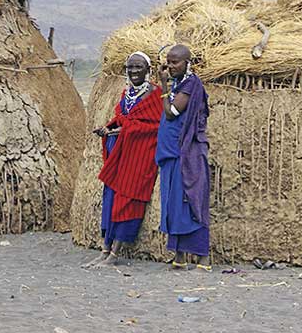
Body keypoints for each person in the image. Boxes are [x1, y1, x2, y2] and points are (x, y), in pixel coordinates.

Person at [84, 51, 163, 268]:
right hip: (120, 152)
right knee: (111, 196)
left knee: (128, 198)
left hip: (139, 155)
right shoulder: (127, 93)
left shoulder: (155, 94)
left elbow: (156, 126)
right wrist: (109, 128)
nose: (134, 71)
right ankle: (105, 249)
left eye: (138, 67)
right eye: (130, 67)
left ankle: (115, 254)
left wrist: (124, 129)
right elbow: (122, 118)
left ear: (148, 70)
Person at [155, 43, 210, 269]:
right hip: (171, 155)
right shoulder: (179, 84)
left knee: (189, 203)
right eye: (168, 61)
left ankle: (202, 257)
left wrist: (163, 85)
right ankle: (178, 257)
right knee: (173, 205)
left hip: (184, 155)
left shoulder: (190, 85)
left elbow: (171, 113)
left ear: (188, 62)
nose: (170, 66)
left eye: (175, 62)